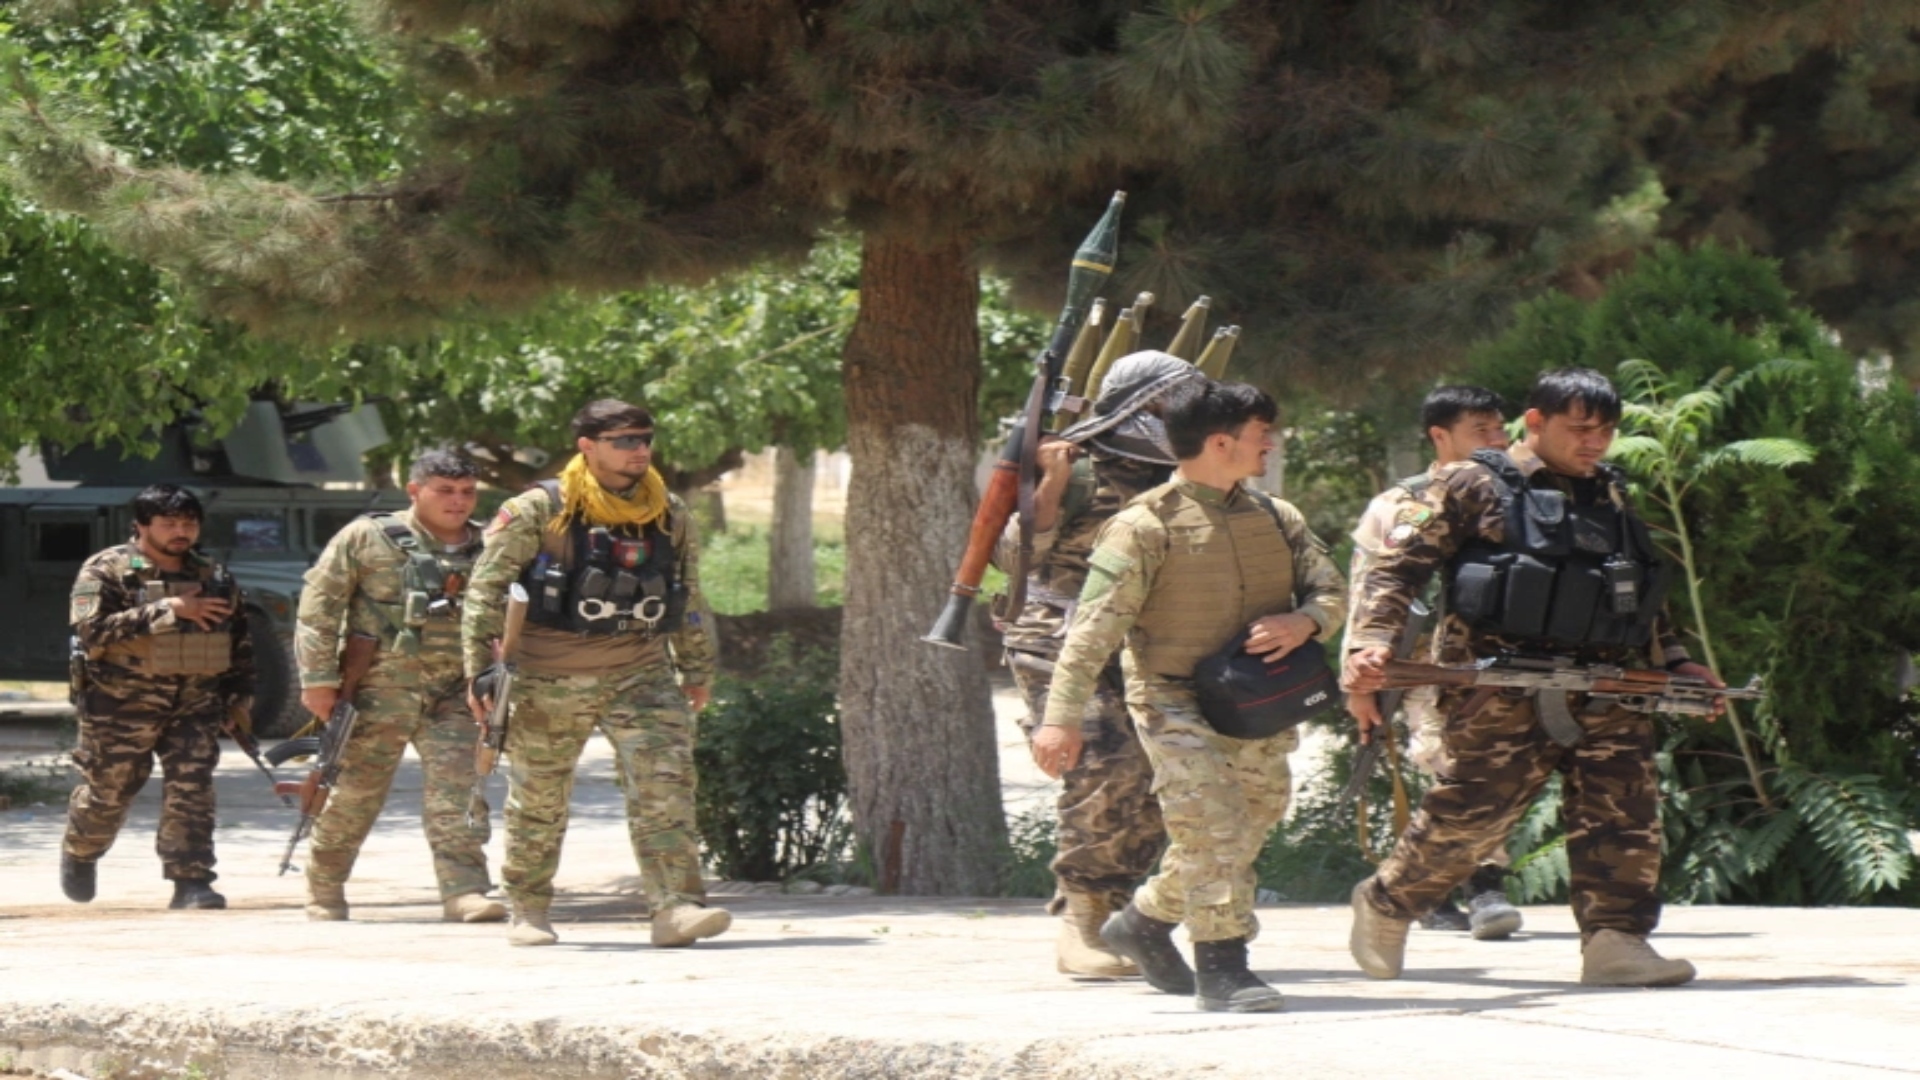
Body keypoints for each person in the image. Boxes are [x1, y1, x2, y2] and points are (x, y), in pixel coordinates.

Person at [1343, 368, 1725, 988]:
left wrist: (1676, 662)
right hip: (1499, 687)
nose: (1594, 442)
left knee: (1622, 812)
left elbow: (1637, 591)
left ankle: (1616, 940)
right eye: (1580, 428)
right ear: (1536, 422)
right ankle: (1388, 902)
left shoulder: (1612, 493)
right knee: (1474, 817)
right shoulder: (1471, 483)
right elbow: (1397, 568)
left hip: (1608, 686)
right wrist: (1371, 644)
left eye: (1605, 430)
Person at [1035, 379, 1347, 1013]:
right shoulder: (1143, 526)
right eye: (1262, 432)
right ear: (1221, 442)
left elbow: (1331, 591)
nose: (1270, 443)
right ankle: (1224, 967)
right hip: (1172, 701)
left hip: (1258, 702)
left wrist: (1306, 621)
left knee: (1250, 821)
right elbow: (1092, 632)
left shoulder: (1278, 517)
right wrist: (1059, 720)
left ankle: (1143, 922)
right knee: (1214, 824)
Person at [462, 399, 724, 948]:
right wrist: (481, 675)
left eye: (645, 438)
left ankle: (675, 907)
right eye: (624, 440)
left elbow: (688, 593)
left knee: (666, 786)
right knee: (539, 798)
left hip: (641, 672)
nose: (639, 449)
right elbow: (486, 590)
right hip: (548, 676)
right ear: (587, 446)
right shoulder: (539, 509)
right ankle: (529, 908)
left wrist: (697, 666)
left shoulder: (668, 510)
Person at [997, 351, 1199, 978]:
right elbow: (1012, 557)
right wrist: (1051, 487)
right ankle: (1081, 920)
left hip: (1149, 642)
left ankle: (1122, 915)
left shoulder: (1192, 471)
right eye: (1171, 399)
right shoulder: (1078, 464)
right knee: (1107, 764)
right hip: (1059, 638)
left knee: (1161, 775)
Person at [293, 450, 505, 924]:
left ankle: (465, 890)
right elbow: (319, 609)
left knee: (460, 792)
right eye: (445, 491)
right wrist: (318, 680)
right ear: (414, 491)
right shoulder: (366, 538)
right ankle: (325, 886)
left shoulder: (493, 545)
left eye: (467, 492)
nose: (458, 502)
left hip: (457, 693)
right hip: (379, 692)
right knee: (355, 793)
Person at [1347, 385, 1521, 939]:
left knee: (1496, 767)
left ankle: (1440, 885)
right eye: (1480, 431)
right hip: (1426, 665)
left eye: (1500, 428)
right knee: (1445, 762)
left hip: (1498, 660)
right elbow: (1368, 593)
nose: (1497, 440)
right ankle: (1478, 886)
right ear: (1439, 436)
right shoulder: (1400, 505)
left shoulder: (1520, 497)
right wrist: (1359, 678)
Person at [61, 483, 255, 910]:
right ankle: (81, 849)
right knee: (110, 792)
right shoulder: (107, 570)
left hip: (195, 702)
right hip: (120, 703)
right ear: (142, 526)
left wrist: (239, 696)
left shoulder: (214, 574)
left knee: (192, 786)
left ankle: (192, 880)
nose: (181, 532)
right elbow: (92, 631)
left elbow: (238, 639)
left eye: (189, 523)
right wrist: (170, 610)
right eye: (169, 524)